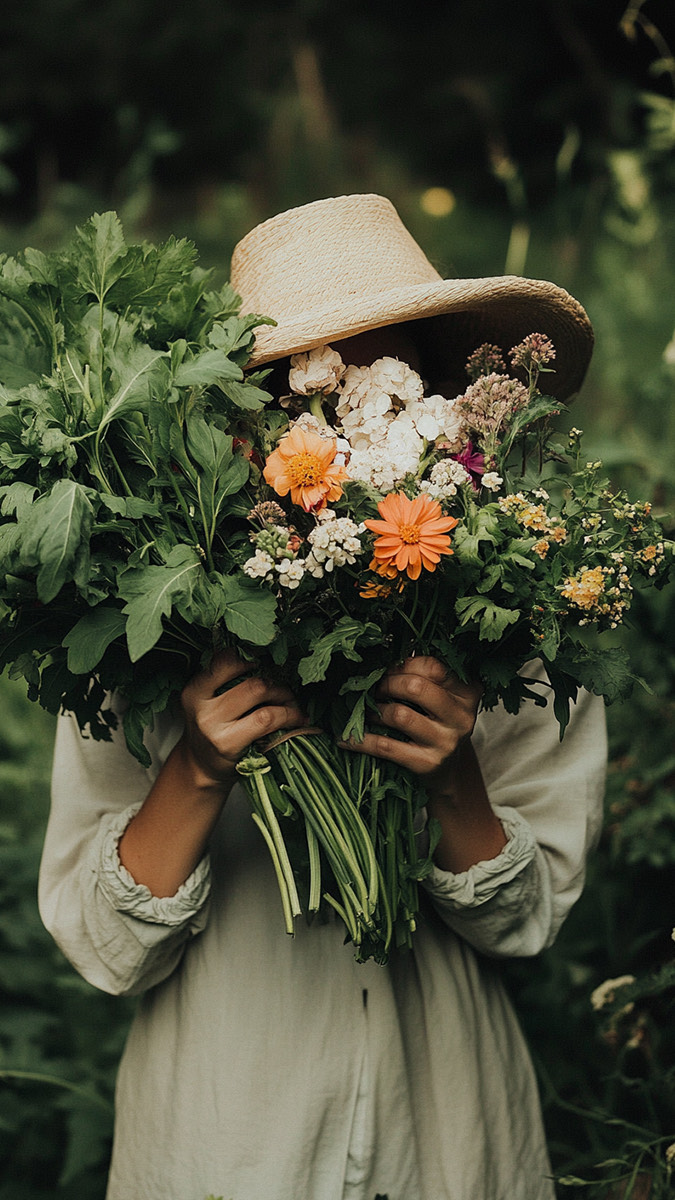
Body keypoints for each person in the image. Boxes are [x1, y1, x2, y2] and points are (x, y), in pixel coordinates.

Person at [38, 194, 607, 1200]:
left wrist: (454, 784)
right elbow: (106, 950)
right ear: (230, 422)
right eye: (302, 392)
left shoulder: (514, 614)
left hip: (444, 1131)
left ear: (440, 406)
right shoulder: (141, 628)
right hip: (223, 1137)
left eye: (380, 388)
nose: (340, 428)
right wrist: (197, 767)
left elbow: (525, 923)